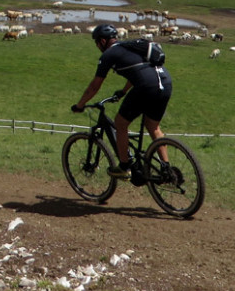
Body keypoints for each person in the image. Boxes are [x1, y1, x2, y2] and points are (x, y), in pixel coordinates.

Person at [70, 24, 173, 179]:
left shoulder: (108, 55)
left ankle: (124, 167)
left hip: (146, 86)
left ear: (103, 41)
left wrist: (80, 105)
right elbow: (139, 71)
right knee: (153, 126)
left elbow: (94, 86)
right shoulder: (130, 47)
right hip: (165, 82)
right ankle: (167, 169)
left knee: (120, 123)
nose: (97, 46)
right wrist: (123, 92)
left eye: (97, 43)